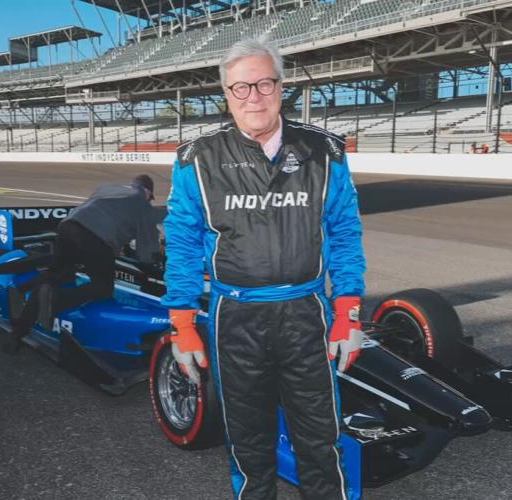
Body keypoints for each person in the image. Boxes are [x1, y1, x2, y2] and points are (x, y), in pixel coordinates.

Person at [164, 38, 365, 500]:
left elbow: (344, 232)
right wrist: (182, 324)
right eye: (240, 87)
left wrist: (347, 311)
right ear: (226, 94)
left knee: (320, 441)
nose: (253, 96)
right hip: (235, 318)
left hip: (305, 313)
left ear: (281, 87)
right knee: (248, 444)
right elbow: (182, 241)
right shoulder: (198, 158)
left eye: (264, 83)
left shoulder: (325, 151)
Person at [5, 174, 159, 353]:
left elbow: (105, 216)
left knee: (54, 277)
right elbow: (147, 251)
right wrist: (151, 264)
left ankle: (16, 335)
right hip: (94, 236)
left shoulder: (109, 188)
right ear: (147, 191)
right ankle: (56, 300)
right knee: (102, 287)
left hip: (68, 226)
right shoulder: (142, 204)